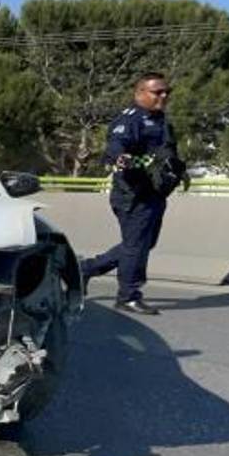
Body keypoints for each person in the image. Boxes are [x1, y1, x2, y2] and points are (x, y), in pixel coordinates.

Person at [81, 72, 185, 315]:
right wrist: (120, 157)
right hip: (133, 194)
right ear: (139, 93)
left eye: (166, 91)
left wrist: (179, 171)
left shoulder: (161, 120)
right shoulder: (130, 120)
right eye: (157, 92)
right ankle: (128, 296)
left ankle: (85, 269)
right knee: (135, 246)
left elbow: (167, 153)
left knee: (143, 244)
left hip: (155, 192)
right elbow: (116, 145)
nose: (164, 95)